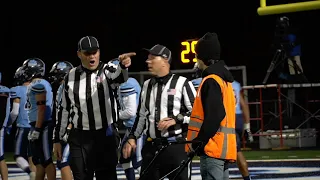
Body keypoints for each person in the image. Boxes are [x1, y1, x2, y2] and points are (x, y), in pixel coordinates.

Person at [53, 36, 135, 180]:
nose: (92, 56)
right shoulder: (70, 76)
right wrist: (57, 140)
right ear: (79, 54)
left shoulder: (107, 69)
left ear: (99, 52)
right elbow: (64, 109)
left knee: (107, 176)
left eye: (94, 52)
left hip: (105, 135)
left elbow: (119, 77)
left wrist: (123, 66)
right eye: (87, 53)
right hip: (80, 136)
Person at [122, 44, 196, 180]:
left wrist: (177, 118)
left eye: (152, 58)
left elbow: (197, 115)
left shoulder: (183, 83)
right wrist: (132, 137)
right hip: (151, 147)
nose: (147, 61)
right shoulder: (147, 85)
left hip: (176, 147)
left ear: (165, 60)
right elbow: (141, 116)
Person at [186, 32, 237, 180]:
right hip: (224, 149)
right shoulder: (224, 80)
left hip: (212, 149)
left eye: (197, 54)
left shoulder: (211, 80)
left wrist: (197, 142)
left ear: (202, 57)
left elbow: (215, 116)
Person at [192, 76, 253, 180]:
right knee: (231, 151)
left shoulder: (204, 81)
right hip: (235, 117)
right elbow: (243, 104)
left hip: (222, 119)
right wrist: (247, 126)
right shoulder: (234, 83)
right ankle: (244, 177)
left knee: (222, 152)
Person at [22, 58, 56, 180]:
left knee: (46, 159)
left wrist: (37, 128)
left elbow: (41, 108)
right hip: (37, 123)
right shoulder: (37, 83)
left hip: (42, 125)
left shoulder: (38, 84)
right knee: (38, 161)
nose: (24, 71)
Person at [9, 66, 36, 179]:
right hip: (36, 127)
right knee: (32, 157)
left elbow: (15, 112)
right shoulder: (39, 88)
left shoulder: (18, 90)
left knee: (18, 155)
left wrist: (9, 124)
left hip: (23, 127)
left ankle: (30, 172)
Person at [49, 61, 74, 180]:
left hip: (73, 130)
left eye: (56, 74)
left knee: (64, 162)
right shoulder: (63, 87)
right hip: (69, 129)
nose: (54, 77)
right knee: (63, 162)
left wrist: (68, 128)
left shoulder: (67, 87)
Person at [117, 76, 144, 180]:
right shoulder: (129, 82)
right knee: (125, 158)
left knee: (138, 160)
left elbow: (130, 112)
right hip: (131, 127)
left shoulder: (126, 84)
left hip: (137, 128)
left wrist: (113, 115)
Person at [0, 72, 9, 180]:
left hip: (0, 126)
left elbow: (2, 112)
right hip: (2, 126)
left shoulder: (3, 91)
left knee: (0, 156)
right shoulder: (5, 90)